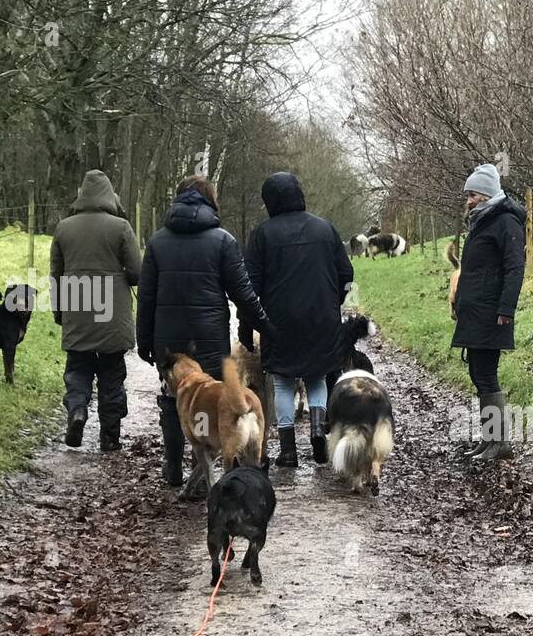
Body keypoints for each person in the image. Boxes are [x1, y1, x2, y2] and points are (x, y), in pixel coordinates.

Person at [136, 175, 273, 486]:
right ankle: (204, 477)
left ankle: (174, 468)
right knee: (210, 399)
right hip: (209, 337)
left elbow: (146, 297)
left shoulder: (157, 242)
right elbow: (243, 293)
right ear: (210, 201)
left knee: (174, 401)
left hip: (168, 338)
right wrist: (264, 325)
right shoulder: (222, 241)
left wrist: (143, 339)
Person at [243, 172, 353, 467]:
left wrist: (247, 324)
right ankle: (318, 429)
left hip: (279, 322)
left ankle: (288, 450)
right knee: (317, 376)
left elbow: (249, 285)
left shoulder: (262, 234)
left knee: (282, 383)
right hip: (322, 318)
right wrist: (334, 303)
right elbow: (346, 274)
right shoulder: (325, 229)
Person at [50, 170, 141, 451]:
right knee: (112, 374)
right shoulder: (121, 227)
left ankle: (77, 410)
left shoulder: (63, 228)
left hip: (77, 306)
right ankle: (110, 437)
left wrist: (59, 312)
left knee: (78, 368)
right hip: (111, 313)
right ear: (109, 196)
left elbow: (56, 275)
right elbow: (137, 272)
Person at [451, 163, 525, 461]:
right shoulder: (482, 221)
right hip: (476, 311)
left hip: (492, 312)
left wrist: (506, 309)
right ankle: (489, 439)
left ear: (486, 195)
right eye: (468, 195)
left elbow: (514, 269)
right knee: (478, 373)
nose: (468, 200)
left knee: (487, 374)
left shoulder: (506, 223)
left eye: (473, 195)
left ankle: (500, 443)